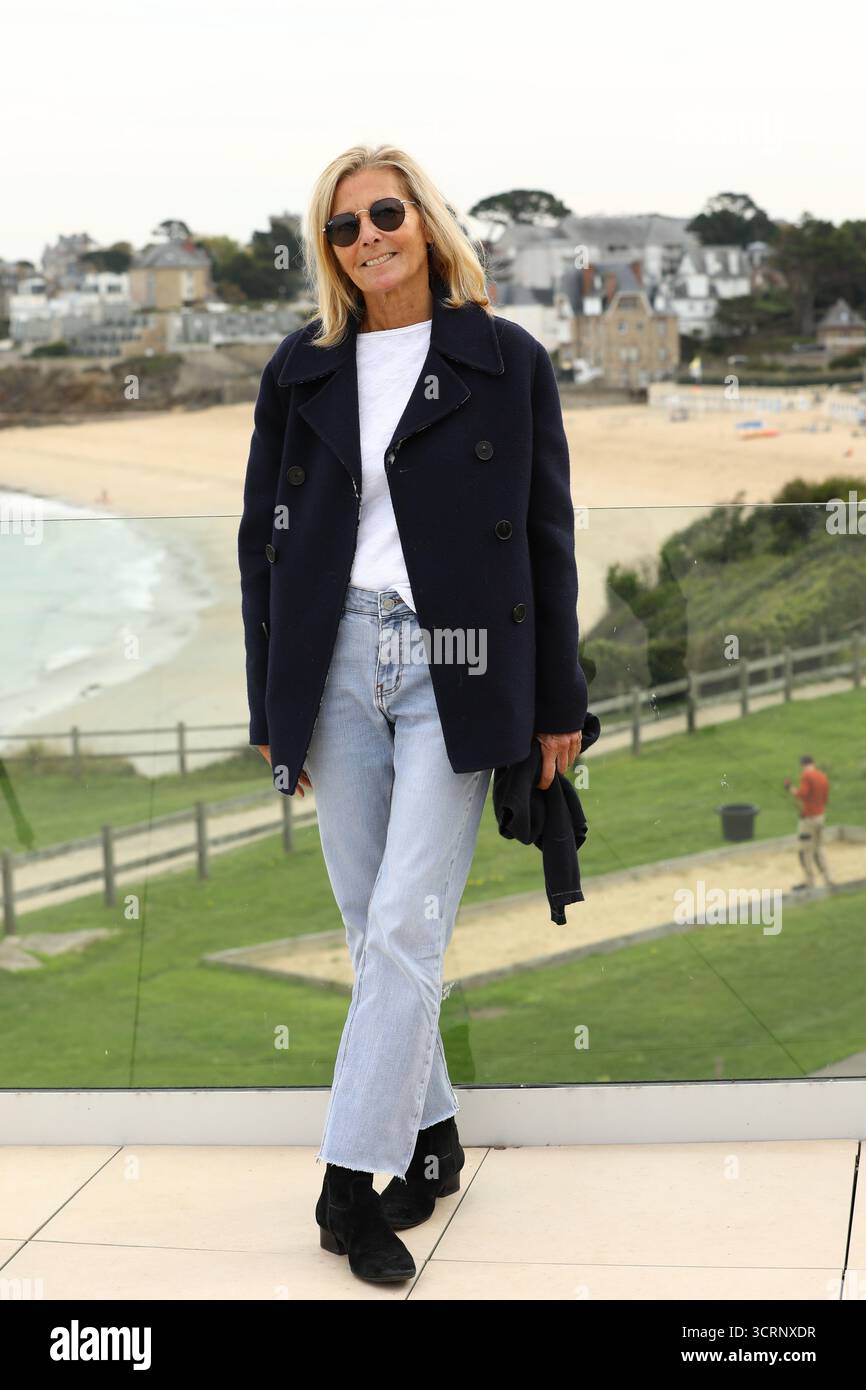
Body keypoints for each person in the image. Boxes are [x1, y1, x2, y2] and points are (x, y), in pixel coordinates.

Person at [237, 144, 589, 1284]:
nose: (367, 238)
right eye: (343, 228)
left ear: (425, 222)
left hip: (459, 657)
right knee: (367, 919)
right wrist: (270, 699)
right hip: (330, 658)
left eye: (383, 213)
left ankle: (348, 1189)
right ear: (328, 250)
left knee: (402, 921)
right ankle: (431, 1142)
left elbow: (545, 539)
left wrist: (558, 706)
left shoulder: (505, 359)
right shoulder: (300, 368)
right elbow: (262, 547)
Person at [784, 754, 835, 892]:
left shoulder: (806, 776)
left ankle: (809, 881)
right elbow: (825, 799)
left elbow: (802, 794)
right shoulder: (823, 776)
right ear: (814, 762)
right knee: (819, 849)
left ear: (803, 765)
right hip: (820, 817)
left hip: (808, 821)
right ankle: (828, 878)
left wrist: (790, 788)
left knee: (804, 850)